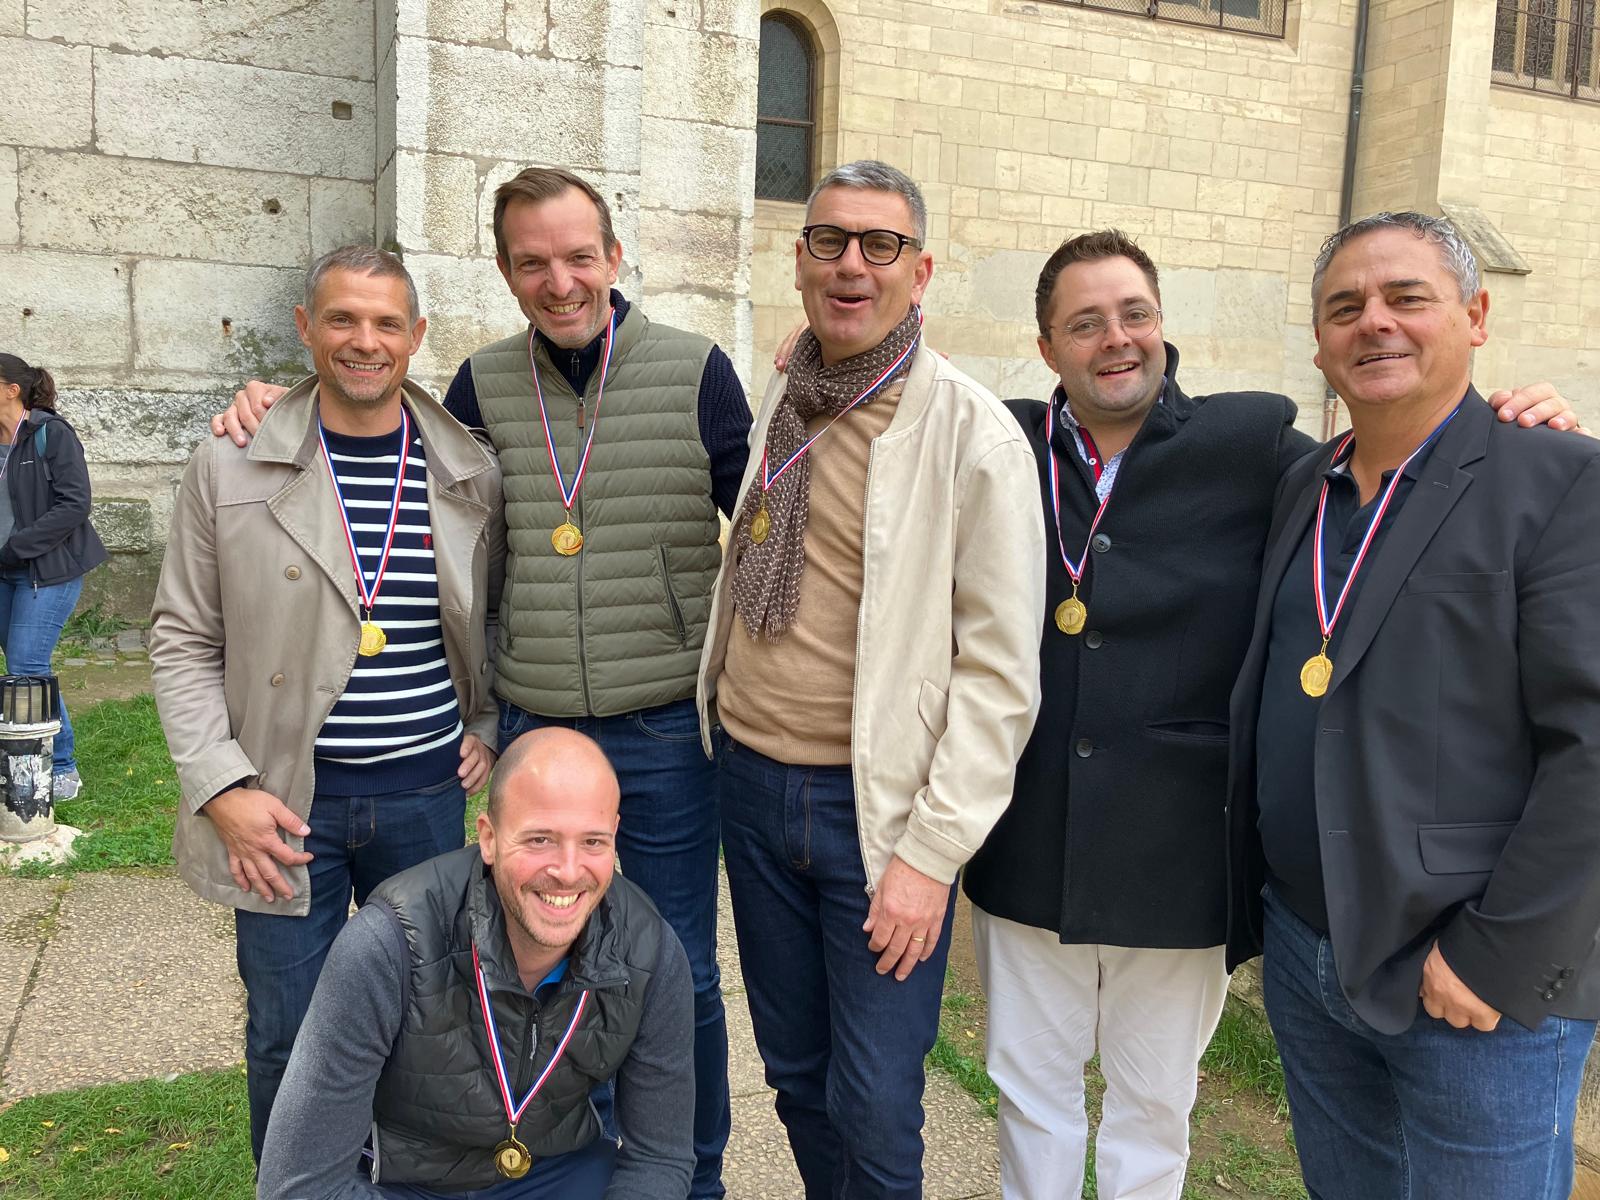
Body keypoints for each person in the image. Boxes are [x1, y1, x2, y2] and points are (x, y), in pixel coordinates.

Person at [954, 229, 1582, 1200]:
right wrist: (822, 365)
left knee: (1154, 1108)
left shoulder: (1265, 449)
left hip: (1356, 924)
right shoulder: (1013, 440)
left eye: (1131, 315)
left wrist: (1517, 414)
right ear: (1045, 348)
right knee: (1045, 1098)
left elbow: (1586, 743)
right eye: (1083, 323)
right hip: (1199, 898)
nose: (1113, 338)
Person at [215, 168, 748, 1198]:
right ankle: (569, 1160)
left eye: (578, 257)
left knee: (675, 969)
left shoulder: (697, 371)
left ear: (614, 259)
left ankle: (693, 1180)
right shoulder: (481, 387)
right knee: (536, 965)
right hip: (536, 725)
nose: (559, 281)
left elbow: (772, 515)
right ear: (506, 273)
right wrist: (270, 401)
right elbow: (409, 485)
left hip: (664, 733)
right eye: (533, 262)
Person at [1226, 211, 1600, 1199]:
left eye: (1407, 298)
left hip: (1470, 985)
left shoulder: (1557, 477)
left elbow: (1591, 747)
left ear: (1474, 316)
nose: (1373, 323)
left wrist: (1493, 954)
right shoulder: (1304, 484)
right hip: (1309, 952)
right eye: (1344, 307)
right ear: (1318, 343)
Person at [697, 159, 1045, 1197]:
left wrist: (929, 857)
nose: (853, 265)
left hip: (875, 816)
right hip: (753, 787)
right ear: (799, 262)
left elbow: (1000, 676)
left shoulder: (971, 437)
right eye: (830, 241)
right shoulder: (790, 392)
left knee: (878, 1097)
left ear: (920, 271)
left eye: (879, 245)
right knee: (798, 1077)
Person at [149, 246, 504, 1162]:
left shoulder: (469, 470)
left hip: (426, 798)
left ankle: (406, 1182)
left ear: (417, 337)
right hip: (281, 804)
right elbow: (183, 638)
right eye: (341, 319)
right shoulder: (229, 463)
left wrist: (487, 723)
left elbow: (495, 615)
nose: (364, 341)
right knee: (287, 1036)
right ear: (306, 329)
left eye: (387, 323)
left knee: (427, 1027)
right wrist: (220, 786)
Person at [257, 727, 695, 1200]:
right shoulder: (387, 946)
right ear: (488, 838)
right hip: (410, 1182)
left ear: (614, 835)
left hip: (554, 1171)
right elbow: (298, 1186)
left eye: (592, 842)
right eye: (540, 839)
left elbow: (659, 1158)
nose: (568, 871)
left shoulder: (649, 952)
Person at [0, 353, 108, 800]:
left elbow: (75, 503)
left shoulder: (50, 434)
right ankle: (25, 756)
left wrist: (15, 547)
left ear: (11, 389)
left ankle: (62, 767)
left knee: (26, 665)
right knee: (23, 667)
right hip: (4, 572)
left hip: (47, 571)